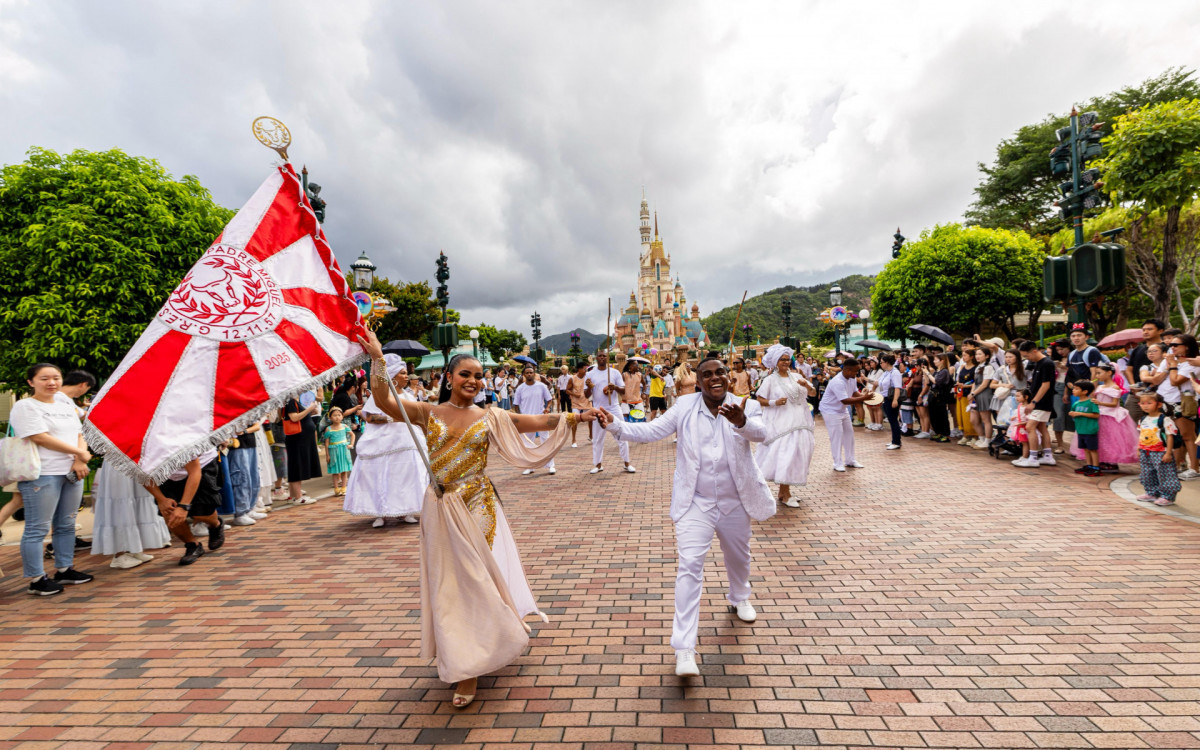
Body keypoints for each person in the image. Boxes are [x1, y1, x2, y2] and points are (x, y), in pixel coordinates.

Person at [359, 330, 605, 708]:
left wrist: (578, 415)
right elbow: (383, 400)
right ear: (448, 379)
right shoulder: (428, 413)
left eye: (478, 376)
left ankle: (478, 656)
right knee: (449, 585)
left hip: (478, 505)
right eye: (464, 375)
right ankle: (464, 658)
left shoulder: (491, 416)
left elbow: (534, 420)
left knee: (476, 579)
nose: (473, 381)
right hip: (439, 508)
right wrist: (376, 357)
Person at [595, 356, 774, 676]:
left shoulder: (742, 404)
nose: (715, 378)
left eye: (720, 372)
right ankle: (684, 648)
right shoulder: (685, 406)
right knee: (690, 566)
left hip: (735, 502)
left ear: (728, 378)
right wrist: (615, 424)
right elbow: (650, 432)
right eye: (707, 374)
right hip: (696, 503)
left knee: (739, 556)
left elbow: (763, 435)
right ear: (698, 381)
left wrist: (742, 421)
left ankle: (739, 596)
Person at [9, 364, 95, 595]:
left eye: (56, 378)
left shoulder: (64, 406)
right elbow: (40, 437)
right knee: (37, 528)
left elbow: (80, 434)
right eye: (44, 378)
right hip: (43, 473)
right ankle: (37, 579)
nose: (51, 383)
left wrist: (80, 459)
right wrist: (78, 453)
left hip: (73, 471)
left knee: (66, 524)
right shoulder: (25, 406)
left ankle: (64, 569)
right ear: (31, 382)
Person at [343, 356, 425, 527]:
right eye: (402, 373)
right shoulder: (381, 396)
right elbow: (367, 416)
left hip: (407, 441)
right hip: (382, 441)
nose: (406, 376)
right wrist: (391, 418)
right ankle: (380, 512)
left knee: (406, 475)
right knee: (381, 475)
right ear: (393, 375)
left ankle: (406, 510)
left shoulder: (409, 397)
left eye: (405, 373)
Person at [754, 344, 816, 507]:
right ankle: (785, 493)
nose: (786, 362)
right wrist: (775, 402)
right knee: (785, 456)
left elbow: (813, 394)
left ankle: (783, 491)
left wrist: (807, 385)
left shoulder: (796, 377)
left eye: (788, 359)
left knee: (798, 454)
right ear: (775, 361)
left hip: (800, 422)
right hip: (781, 424)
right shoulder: (769, 380)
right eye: (782, 359)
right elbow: (759, 399)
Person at [142, 450, 227, 566]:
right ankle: (192, 545)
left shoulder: (181, 439)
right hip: (166, 474)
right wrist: (161, 499)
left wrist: (184, 506)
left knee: (200, 512)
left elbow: (194, 472)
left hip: (200, 466)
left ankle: (215, 524)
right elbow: (143, 475)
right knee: (170, 513)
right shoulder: (139, 446)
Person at [585, 351, 634, 474]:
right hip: (598, 408)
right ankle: (598, 464)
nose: (602, 357)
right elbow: (586, 395)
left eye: (604, 356)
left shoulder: (614, 372)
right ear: (596, 358)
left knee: (622, 434)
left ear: (607, 358)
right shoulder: (590, 374)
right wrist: (590, 387)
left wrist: (614, 387)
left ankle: (627, 463)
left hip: (614, 408)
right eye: (600, 356)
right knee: (597, 438)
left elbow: (623, 391)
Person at [819, 359, 871, 472]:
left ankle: (850, 460)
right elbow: (845, 400)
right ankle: (837, 463)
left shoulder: (851, 378)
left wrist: (865, 396)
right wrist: (864, 398)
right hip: (830, 411)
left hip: (842, 410)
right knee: (836, 437)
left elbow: (854, 393)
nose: (856, 373)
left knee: (849, 435)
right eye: (855, 371)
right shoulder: (837, 381)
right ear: (847, 370)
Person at [1014, 341, 1056, 468]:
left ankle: (1033, 457)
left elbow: (1046, 385)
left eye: (1027, 356)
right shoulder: (1039, 363)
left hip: (1042, 402)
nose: (1027, 359)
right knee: (1041, 428)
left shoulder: (1046, 364)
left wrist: (1033, 402)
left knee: (1030, 427)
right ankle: (1048, 456)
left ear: (1034, 351)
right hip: (1040, 401)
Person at [1134, 392, 1180, 507]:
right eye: (1142, 403)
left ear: (1159, 404)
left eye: (1149, 403)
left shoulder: (1164, 420)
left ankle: (1167, 496)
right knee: (1147, 473)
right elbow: (1141, 434)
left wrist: (1168, 453)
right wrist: (1139, 448)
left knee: (1165, 474)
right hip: (1146, 451)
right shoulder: (1143, 419)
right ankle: (1151, 493)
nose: (1145, 406)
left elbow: (1170, 437)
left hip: (1160, 452)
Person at [1166, 335, 1200, 479]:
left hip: (1184, 403)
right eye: (1171, 344)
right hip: (1171, 401)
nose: (1172, 347)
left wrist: (1172, 365)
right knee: (1178, 436)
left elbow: (1175, 381)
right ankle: (1180, 466)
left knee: (1188, 436)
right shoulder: (1178, 361)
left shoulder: (1193, 363)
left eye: (1176, 344)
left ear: (1187, 346)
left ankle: (1194, 468)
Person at [513, 365, 557, 476]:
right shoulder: (520, 388)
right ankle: (530, 466)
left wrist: (547, 408)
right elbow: (516, 405)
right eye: (527, 373)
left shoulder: (541, 386)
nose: (529, 374)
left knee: (546, 441)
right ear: (523, 375)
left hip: (541, 418)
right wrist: (520, 417)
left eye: (531, 372)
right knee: (528, 443)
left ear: (534, 374)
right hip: (527, 419)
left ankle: (550, 465)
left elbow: (549, 399)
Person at [281, 394, 322, 503]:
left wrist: (310, 411)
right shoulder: (290, 401)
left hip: (301, 438)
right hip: (297, 438)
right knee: (296, 466)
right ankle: (298, 497)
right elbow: (294, 417)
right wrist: (309, 408)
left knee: (296, 465)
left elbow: (299, 415)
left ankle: (293, 496)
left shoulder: (295, 401)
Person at [1124, 319, 1166, 421]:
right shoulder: (1138, 349)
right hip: (1137, 394)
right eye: (1143, 330)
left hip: (1161, 393)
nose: (1145, 332)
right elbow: (1129, 369)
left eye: (1150, 329)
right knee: (1131, 422)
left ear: (1160, 331)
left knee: (1162, 422)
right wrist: (1133, 387)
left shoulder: (1167, 348)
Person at [226, 423, 264, 526]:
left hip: (250, 443)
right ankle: (240, 512)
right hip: (237, 446)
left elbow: (257, 426)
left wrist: (246, 431)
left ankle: (249, 508)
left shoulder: (249, 411)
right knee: (242, 478)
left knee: (253, 477)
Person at [1069, 380, 1102, 476]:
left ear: (1085, 391)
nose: (1073, 390)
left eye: (1076, 389)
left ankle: (1096, 468)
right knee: (1086, 449)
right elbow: (1073, 413)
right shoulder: (1076, 403)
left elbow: (1096, 415)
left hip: (1090, 430)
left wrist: (1080, 413)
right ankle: (1089, 466)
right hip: (1080, 429)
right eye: (1074, 388)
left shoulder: (1091, 402)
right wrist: (1072, 414)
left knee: (1092, 449)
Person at [323, 407, 355, 495]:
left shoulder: (345, 426)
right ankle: (336, 488)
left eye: (339, 415)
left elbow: (352, 435)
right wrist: (327, 455)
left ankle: (344, 488)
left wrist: (351, 444)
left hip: (344, 450)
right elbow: (326, 442)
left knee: (344, 470)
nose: (337, 417)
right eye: (334, 415)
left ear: (342, 417)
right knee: (335, 471)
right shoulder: (328, 429)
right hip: (333, 451)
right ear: (330, 417)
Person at [877, 354, 905, 450]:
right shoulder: (886, 372)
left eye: (882, 362)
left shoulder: (895, 372)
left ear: (887, 362)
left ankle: (897, 441)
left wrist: (895, 400)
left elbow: (897, 387)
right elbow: (878, 383)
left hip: (891, 398)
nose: (880, 364)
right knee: (891, 420)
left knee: (893, 420)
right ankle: (894, 439)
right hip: (886, 398)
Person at [566, 361, 591, 446]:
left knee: (590, 419)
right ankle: (573, 440)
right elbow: (567, 390)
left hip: (586, 401)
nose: (585, 371)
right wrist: (574, 394)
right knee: (574, 420)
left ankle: (591, 435)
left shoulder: (588, 378)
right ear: (579, 369)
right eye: (584, 369)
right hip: (576, 403)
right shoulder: (572, 378)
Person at [1008, 389, 1033, 462]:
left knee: (1026, 443)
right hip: (1021, 427)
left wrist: (1021, 423)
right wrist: (1015, 417)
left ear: (1026, 397)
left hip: (1024, 427)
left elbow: (1030, 419)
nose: (1016, 398)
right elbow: (1019, 414)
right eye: (1016, 396)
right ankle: (1025, 456)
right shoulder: (1020, 405)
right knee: (1023, 442)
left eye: (1018, 396)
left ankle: (1025, 457)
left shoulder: (1028, 407)